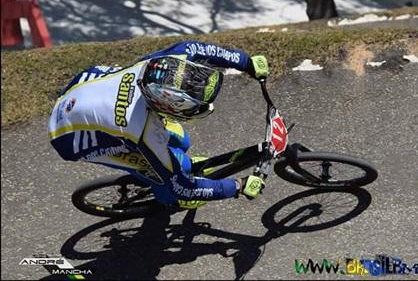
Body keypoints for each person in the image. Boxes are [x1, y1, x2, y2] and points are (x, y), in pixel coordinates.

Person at [48, 41, 269, 209]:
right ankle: (165, 198)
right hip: (68, 137)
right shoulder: (140, 130)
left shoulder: (167, 62)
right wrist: (236, 187)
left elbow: (201, 48)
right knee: (174, 173)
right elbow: (183, 188)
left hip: (81, 88)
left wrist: (246, 62)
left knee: (182, 141)